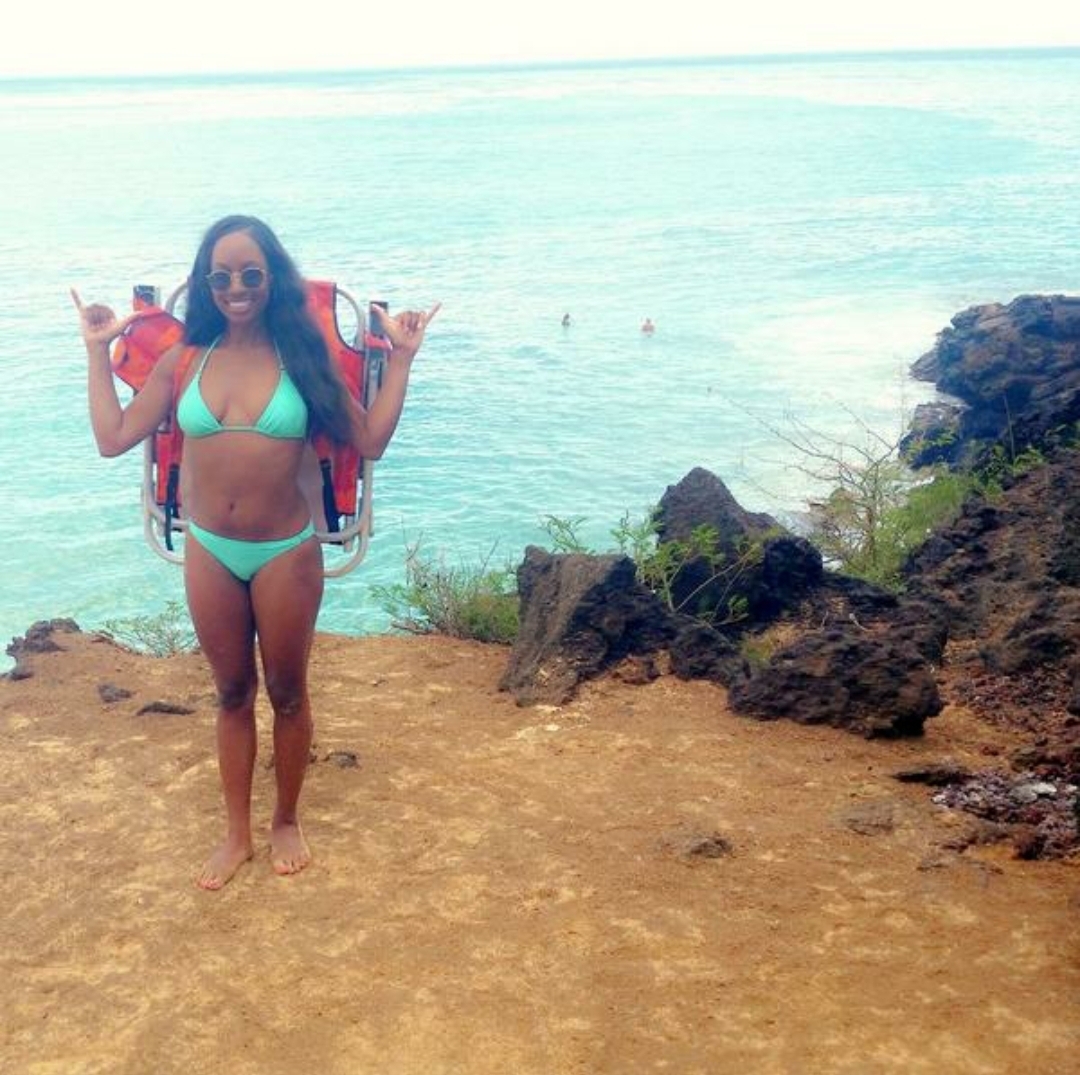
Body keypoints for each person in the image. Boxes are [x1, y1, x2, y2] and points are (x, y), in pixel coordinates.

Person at [73, 214, 439, 890]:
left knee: (288, 693)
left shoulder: (303, 359)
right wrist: (97, 351)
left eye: (250, 274)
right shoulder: (185, 360)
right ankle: (237, 832)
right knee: (232, 692)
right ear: (205, 285)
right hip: (210, 548)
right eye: (221, 277)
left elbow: (370, 440)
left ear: (273, 279)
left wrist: (403, 360)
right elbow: (113, 436)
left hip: (284, 551)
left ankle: (286, 820)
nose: (235, 288)